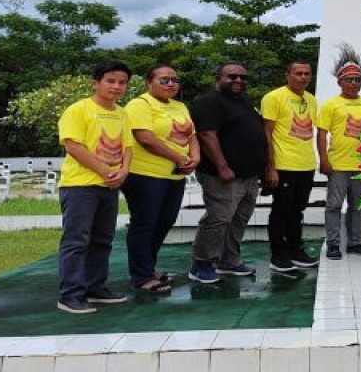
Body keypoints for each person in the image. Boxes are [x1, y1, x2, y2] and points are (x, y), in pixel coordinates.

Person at [55, 60, 134, 314]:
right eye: (110, 81)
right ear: (96, 83)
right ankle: (70, 294)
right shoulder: (78, 110)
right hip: (80, 186)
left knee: (103, 239)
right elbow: (73, 146)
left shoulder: (122, 113)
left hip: (109, 186)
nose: (116, 86)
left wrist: (123, 172)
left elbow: (128, 147)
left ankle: (95, 286)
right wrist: (105, 171)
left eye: (122, 82)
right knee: (77, 241)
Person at [187, 63, 269, 283]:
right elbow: (207, 135)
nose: (238, 81)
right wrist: (223, 167)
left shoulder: (243, 102)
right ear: (218, 78)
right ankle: (201, 263)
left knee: (238, 219)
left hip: (248, 175)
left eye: (243, 77)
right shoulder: (209, 102)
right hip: (221, 174)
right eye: (232, 77)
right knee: (218, 218)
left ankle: (228, 260)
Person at [121, 64, 199, 293]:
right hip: (145, 175)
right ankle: (141, 276)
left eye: (175, 80)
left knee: (165, 221)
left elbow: (191, 135)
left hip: (174, 176)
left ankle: (148, 266)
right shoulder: (139, 104)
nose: (171, 84)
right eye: (164, 80)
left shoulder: (180, 106)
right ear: (149, 82)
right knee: (144, 223)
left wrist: (194, 158)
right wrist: (178, 158)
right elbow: (145, 138)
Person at [316, 45, 361, 259]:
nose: (354, 83)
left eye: (357, 80)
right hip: (338, 164)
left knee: (357, 206)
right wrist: (324, 160)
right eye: (349, 80)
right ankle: (334, 244)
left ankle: (355, 242)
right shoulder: (330, 105)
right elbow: (321, 134)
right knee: (334, 205)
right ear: (339, 82)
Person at [261, 60, 320, 272]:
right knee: (281, 211)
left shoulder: (311, 99)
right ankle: (278, 255)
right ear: (288, 74)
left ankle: (296, 250)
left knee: (298, 210)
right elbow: (266, 134)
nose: (303, 77)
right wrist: (270, 167)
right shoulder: (273, 97)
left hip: (306, 164)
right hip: (284, 164)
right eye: (298, 73)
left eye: (307, 73)